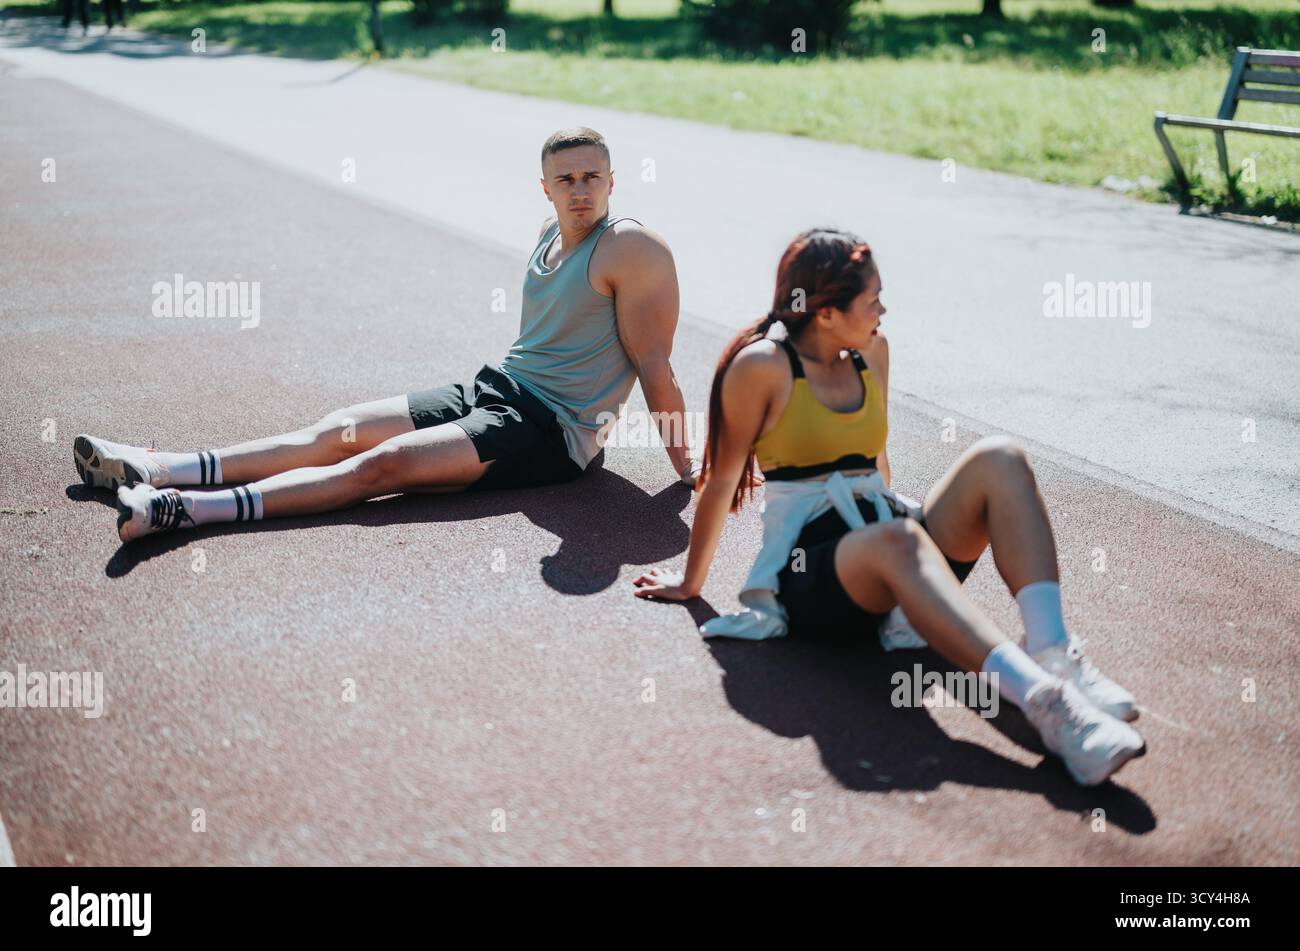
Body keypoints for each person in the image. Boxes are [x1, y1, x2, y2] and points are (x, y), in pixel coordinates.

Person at [633, 228, 1145, 787]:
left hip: (887, 542)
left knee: (1000, 458)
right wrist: (691, 582)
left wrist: (913, 550)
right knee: (898, 541)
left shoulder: (872, 352)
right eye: (872, 298)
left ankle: (1051, 651)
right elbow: (722, 477)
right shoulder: (762, 367)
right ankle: (1050, 708)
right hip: (813, 578)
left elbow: (876, 464)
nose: (883, 308)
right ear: (826, 313)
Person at [75, 127, 698, 542]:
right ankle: (156, 466)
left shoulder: (631, 248)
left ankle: (183, 510)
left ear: (612, 181)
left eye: (593, 177)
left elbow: (655, 366)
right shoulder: (548, 229)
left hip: (550, 431)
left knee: (384, 466)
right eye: (566, 180)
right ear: (546, 188)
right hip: (496, 387)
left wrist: (689, 471)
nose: (580, 190)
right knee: (336, 428)